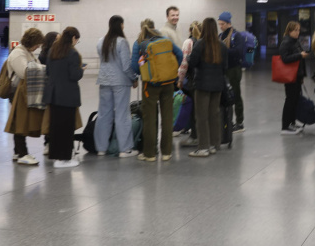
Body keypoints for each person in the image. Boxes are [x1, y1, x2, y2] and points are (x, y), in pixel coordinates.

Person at [130, 19, 183, 161]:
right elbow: (180, 55)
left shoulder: (140, 43)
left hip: (150, 85)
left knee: (150, 118)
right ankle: (166, 152)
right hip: (168, 83)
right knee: (167, 117)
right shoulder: (166, 40)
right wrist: (171, 70)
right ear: (155, 28)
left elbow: (135, 66)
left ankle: (150, 153)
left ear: (142, 29)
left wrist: (146, 72)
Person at [95, 16, 139, 158]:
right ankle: (125, 149)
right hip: (120, 82)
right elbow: (126, 66)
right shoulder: (122, 42)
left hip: (104, 81)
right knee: (122, 114)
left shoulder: (101, 41)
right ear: (121, 25)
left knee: (103, 115)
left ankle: (101, 148)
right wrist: (134, 78)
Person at [185, 18, 228, 157]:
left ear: (203, 29)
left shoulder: (200, 44)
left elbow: (192, 62)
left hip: (202, 85)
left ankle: (203, 147)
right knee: (214, 114)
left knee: (201, 116)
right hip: (218, 85)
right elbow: (225, 67)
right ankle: (214, 144)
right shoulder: (221, 45)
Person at [4, 28, 46, 166]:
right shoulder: (18, 53)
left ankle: (18, 152)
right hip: (17, 93)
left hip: (24, 93)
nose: (38, 47)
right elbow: (24, 72)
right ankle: (22, 153)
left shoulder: (27, 52)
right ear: (31, 42)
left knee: (19, 122)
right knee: (20, 122)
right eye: (37, 44)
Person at [44, 27, 84, 168]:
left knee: (55, 127)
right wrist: (81, 70)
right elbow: (74, 75)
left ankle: (56, 156)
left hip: (54, 95)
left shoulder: (52, 51)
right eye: (76, 40)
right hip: (68, 95)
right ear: (73, 38)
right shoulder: (72, 53)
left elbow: (48, 71)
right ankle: (65, 158)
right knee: (67, 128)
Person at [217, 12, 246, 133]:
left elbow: (239, 51)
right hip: (224, 69)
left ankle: (240, 122)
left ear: (229, 23)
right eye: (219, 24)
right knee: (225, 96)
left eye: (223, 24)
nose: (221, 26)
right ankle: (228, 120)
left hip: (234, 69)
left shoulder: (236, 35)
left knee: (235, 94)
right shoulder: (220, 35)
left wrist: (223, 51)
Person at [279, 21, 308, 134]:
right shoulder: (286, 43)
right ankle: (285, 125)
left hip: (297, 75)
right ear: (289, 31)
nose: (297, 32)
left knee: (295, 100)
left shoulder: (296, 42)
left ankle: (292, 122)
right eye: (295, 30)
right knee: (290, 100)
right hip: (290, 76)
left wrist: (302, 75)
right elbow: (285, 58)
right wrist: (299, 55)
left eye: (299, 30)